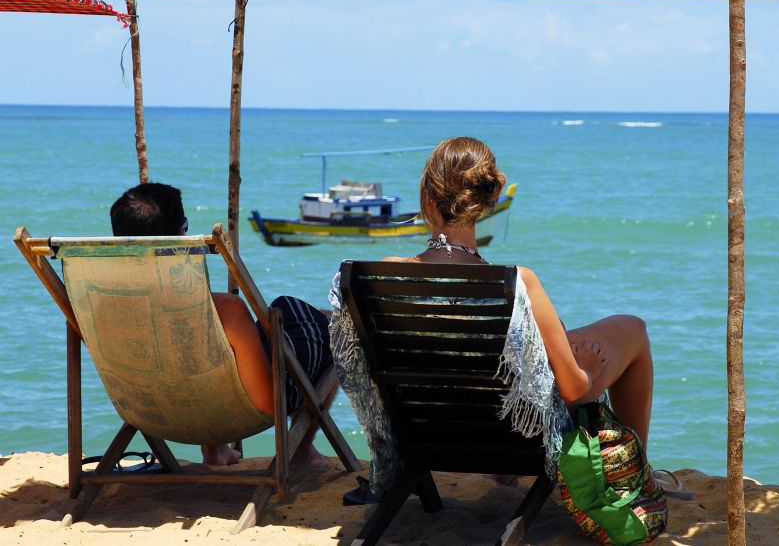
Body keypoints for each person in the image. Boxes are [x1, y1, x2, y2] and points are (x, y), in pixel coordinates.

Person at [328, 137, 654, 494]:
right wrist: (589, 370)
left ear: (426, 200)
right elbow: (573, 390)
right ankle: (638, 477)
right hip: (516, 439)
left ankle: (503, 477)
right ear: (490, 201)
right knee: (632, 330)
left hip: (424, 433)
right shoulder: (520, 283)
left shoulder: (383, 275)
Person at [110, 182, 331, 467]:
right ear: (179, 236)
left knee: (208, 345)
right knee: (323, 324)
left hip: (147, 413)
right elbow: (267, 402)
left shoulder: (102, 307)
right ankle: (299, 447)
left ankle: (216, 450)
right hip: (228, 414)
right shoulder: (225, 310)